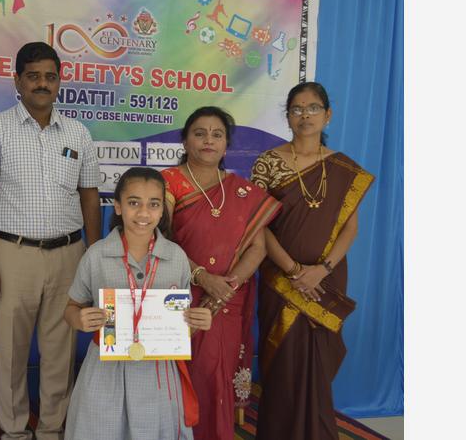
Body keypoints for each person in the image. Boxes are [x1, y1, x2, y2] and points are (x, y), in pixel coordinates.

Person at [0, 41, 102, 440]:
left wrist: (94, 258)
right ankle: (12, 431)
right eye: (33, 76)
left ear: (59, 81)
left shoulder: (78, 133)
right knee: (10, 351)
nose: (42, 84)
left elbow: (90, 197)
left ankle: (51, 429)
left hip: (69, 255)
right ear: (17, 81)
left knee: (59, 351)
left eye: (49, 76)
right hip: (13, 254)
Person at [250, 82, 374, 440]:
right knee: (282, 362)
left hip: (326, 279)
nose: (305, 115)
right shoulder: (268, 163)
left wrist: (322, 270)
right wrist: (293, 271)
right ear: (288, 116)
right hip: (279, 278)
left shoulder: (345, 169)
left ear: (328, 114)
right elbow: (257, 225)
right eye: (297, 109)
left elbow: (350, 229)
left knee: (318, 363)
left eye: (313, 108)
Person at [63, 167, 213, 440]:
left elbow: (181, 325)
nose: (144, 213)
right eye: (134, 203)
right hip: (106, 372)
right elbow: (71, 308)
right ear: (118, 206)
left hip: (158, 375)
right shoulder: (96, 255)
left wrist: (197, 321)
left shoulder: (176, 257)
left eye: (153, 204)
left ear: (162, 210)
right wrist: (79, 319)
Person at [161, 107, 281, 440]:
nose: (208, 140)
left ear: (227, 145)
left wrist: (228, 286)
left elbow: (259, 247)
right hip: (179, 293)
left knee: (215, 377)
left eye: (217, 134)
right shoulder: (167, 182)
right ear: (185, 141)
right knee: (176, 377)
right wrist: (203, 278)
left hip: (227, 300)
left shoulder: (242, 191)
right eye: (199, 133)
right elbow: (160, 241)